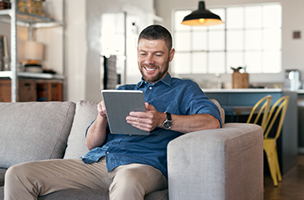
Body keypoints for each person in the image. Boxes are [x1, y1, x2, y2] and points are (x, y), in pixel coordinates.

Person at [4, 24, 221, 200]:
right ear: (137, 53)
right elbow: (91, 144)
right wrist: (101, 117)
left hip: (144, 166)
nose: (149, 61)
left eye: (157, 54)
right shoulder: (121, 91)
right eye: (144, 53)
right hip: (98, 162)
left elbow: (212, 122)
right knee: (18, 174)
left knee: (127, 180)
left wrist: (162, 120)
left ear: (170, 55)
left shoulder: (184, 89)